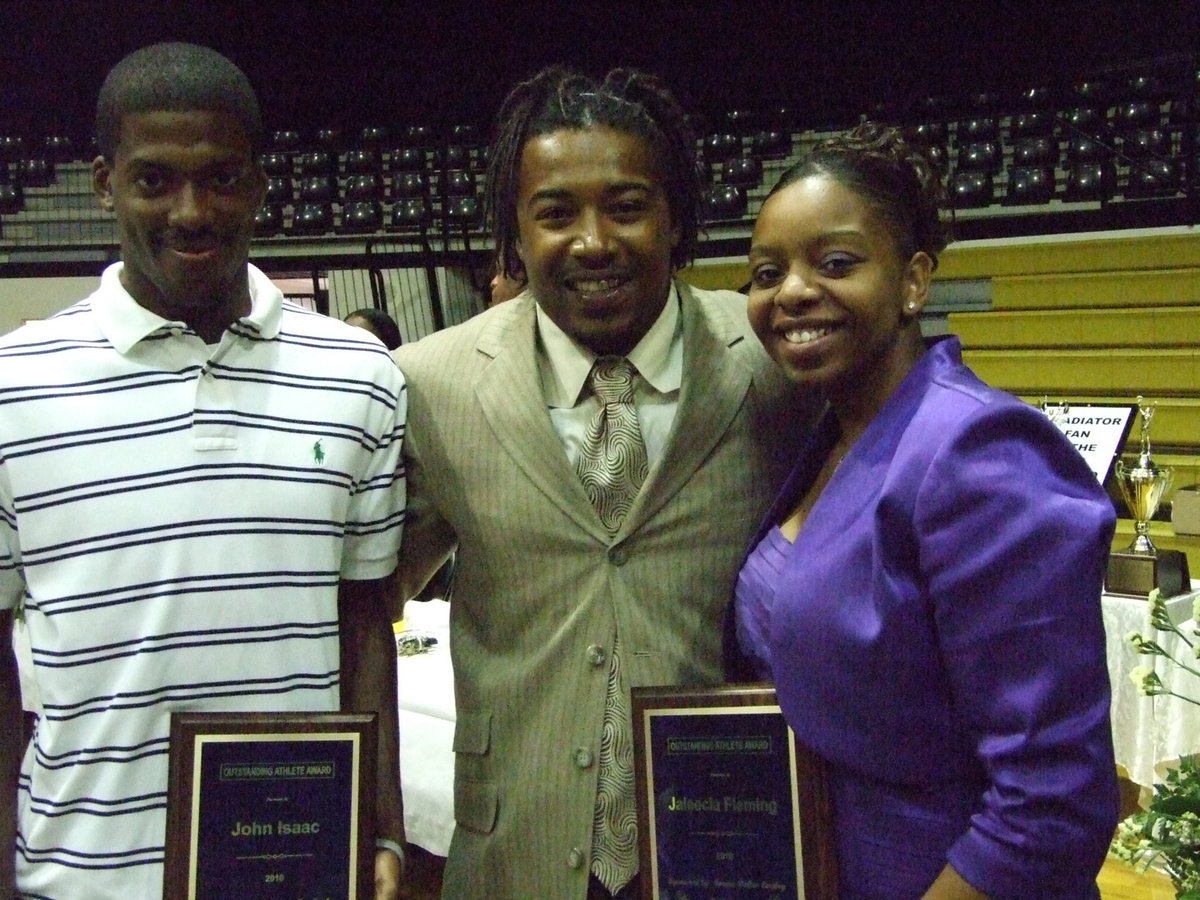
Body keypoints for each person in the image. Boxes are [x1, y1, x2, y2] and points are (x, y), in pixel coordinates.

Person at [392, 66, 812, 899]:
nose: (593, 241)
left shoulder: (774, 365)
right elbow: (370, 601)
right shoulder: (431, 384)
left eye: (626, 206)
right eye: (555, 213)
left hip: (727, 841)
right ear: (515, 230)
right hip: (513, 844)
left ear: (676, 216)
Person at [0, 43, 407, 900]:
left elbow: (364, 622)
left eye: (221, 177)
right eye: (155, 180)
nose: (191, 211)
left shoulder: (358, 377)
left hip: (294, 865)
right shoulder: (14, 386)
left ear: (260, 184)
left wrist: (381, 826)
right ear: (105, 182)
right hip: (80, 875)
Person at [730, 123, 1118, 899]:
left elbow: (1051, 802)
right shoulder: (829, 438)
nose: (794, 290)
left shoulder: (978, 451)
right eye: (767, 272)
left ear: (913, 281)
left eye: (835, 262)